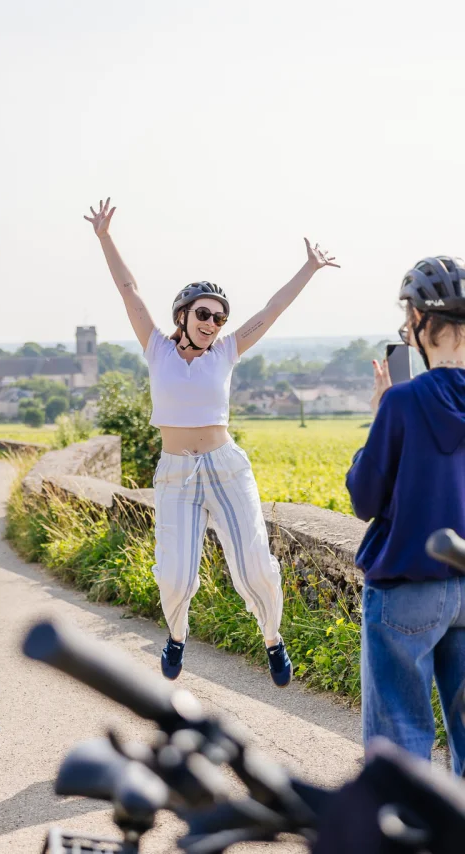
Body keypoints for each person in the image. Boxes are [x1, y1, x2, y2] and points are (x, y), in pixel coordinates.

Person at [85, 197, 339, 683]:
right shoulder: (156, 348)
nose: (213, 323)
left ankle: (272, 638)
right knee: (175, 576)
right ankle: (177, 635)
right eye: (204, 314)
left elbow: (273, 309)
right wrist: (105, 237)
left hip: (226, 467)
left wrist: (308, 267)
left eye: (220, 318)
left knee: (255, 570)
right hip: (176, 475)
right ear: (183, 314)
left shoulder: (227, 351)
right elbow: (129, 290)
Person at [346, 256, 465, 773]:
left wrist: (381, 413)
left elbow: (365, 498)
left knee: (401, 740)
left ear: (419, 321)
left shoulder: (403, 402)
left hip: (406, 587)